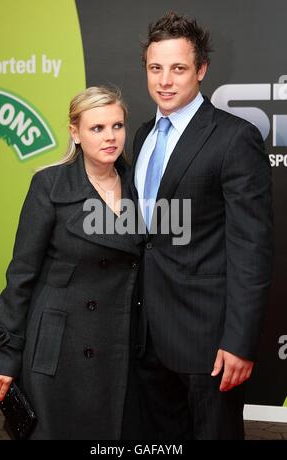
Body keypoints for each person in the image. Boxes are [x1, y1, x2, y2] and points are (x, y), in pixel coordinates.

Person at [129, 11, 273, 440]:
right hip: (147, 336)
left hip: (209, 342)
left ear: (202, 70)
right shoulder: (142, 135)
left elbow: (252, 249)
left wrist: (239, 342)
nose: (165, 80)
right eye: (156, 68)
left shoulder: (234, 138)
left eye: (178, 68)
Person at [0, 86, 142, 440]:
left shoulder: (140, 187)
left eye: (117, 126)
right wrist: (5, 357)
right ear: (75, 133)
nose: (110, 137)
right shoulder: (50, 185)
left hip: (118, 349)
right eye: (97, 128)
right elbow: (21, 276)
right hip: (57, 355)